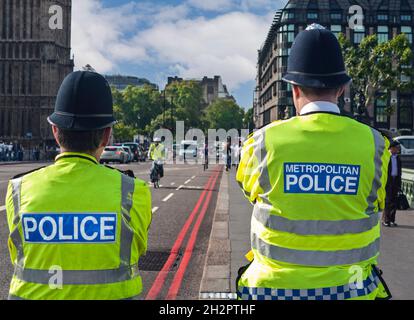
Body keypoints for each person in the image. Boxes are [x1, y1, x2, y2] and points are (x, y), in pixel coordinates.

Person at [236, 24, 391, 300]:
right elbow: (377, 202)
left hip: (272, 290)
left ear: (294, 88)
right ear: (342, 88)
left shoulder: (260, 143)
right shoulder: (377, 145)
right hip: (352, 290)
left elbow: (251, 194)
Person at [5, 71, 152, 300]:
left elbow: (17, 255)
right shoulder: (133, 190)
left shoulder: (18, 189)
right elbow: (138, 249)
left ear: (55, 131)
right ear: (106, 135)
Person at [383, 141, 402, 227]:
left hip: (395, 181)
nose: (397, 149)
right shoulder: (387, 157)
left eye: (397, 148)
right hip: (388, 181)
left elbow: (399, 172)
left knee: (394, 202)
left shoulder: (398, 158)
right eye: (395, 148)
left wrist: (399, 184)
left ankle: (392, 220)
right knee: (387, 201)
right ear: (391, 148)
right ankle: (386, 220)